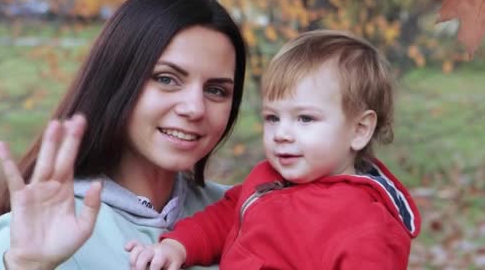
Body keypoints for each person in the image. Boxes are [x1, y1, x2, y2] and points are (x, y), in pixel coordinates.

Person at [0, 0, 247, 269]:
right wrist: (26, 265)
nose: (194, 108)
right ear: (117, 81)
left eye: (216, 90)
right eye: (166, 79)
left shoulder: (245, 209)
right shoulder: (48, 226)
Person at [127, 30, 422, 270]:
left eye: (305, 118)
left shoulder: (364, 225)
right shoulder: (266, 179)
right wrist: (177, 246)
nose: (281, 134)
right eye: (272, 118)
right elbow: (224, 218)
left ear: (359, 130)